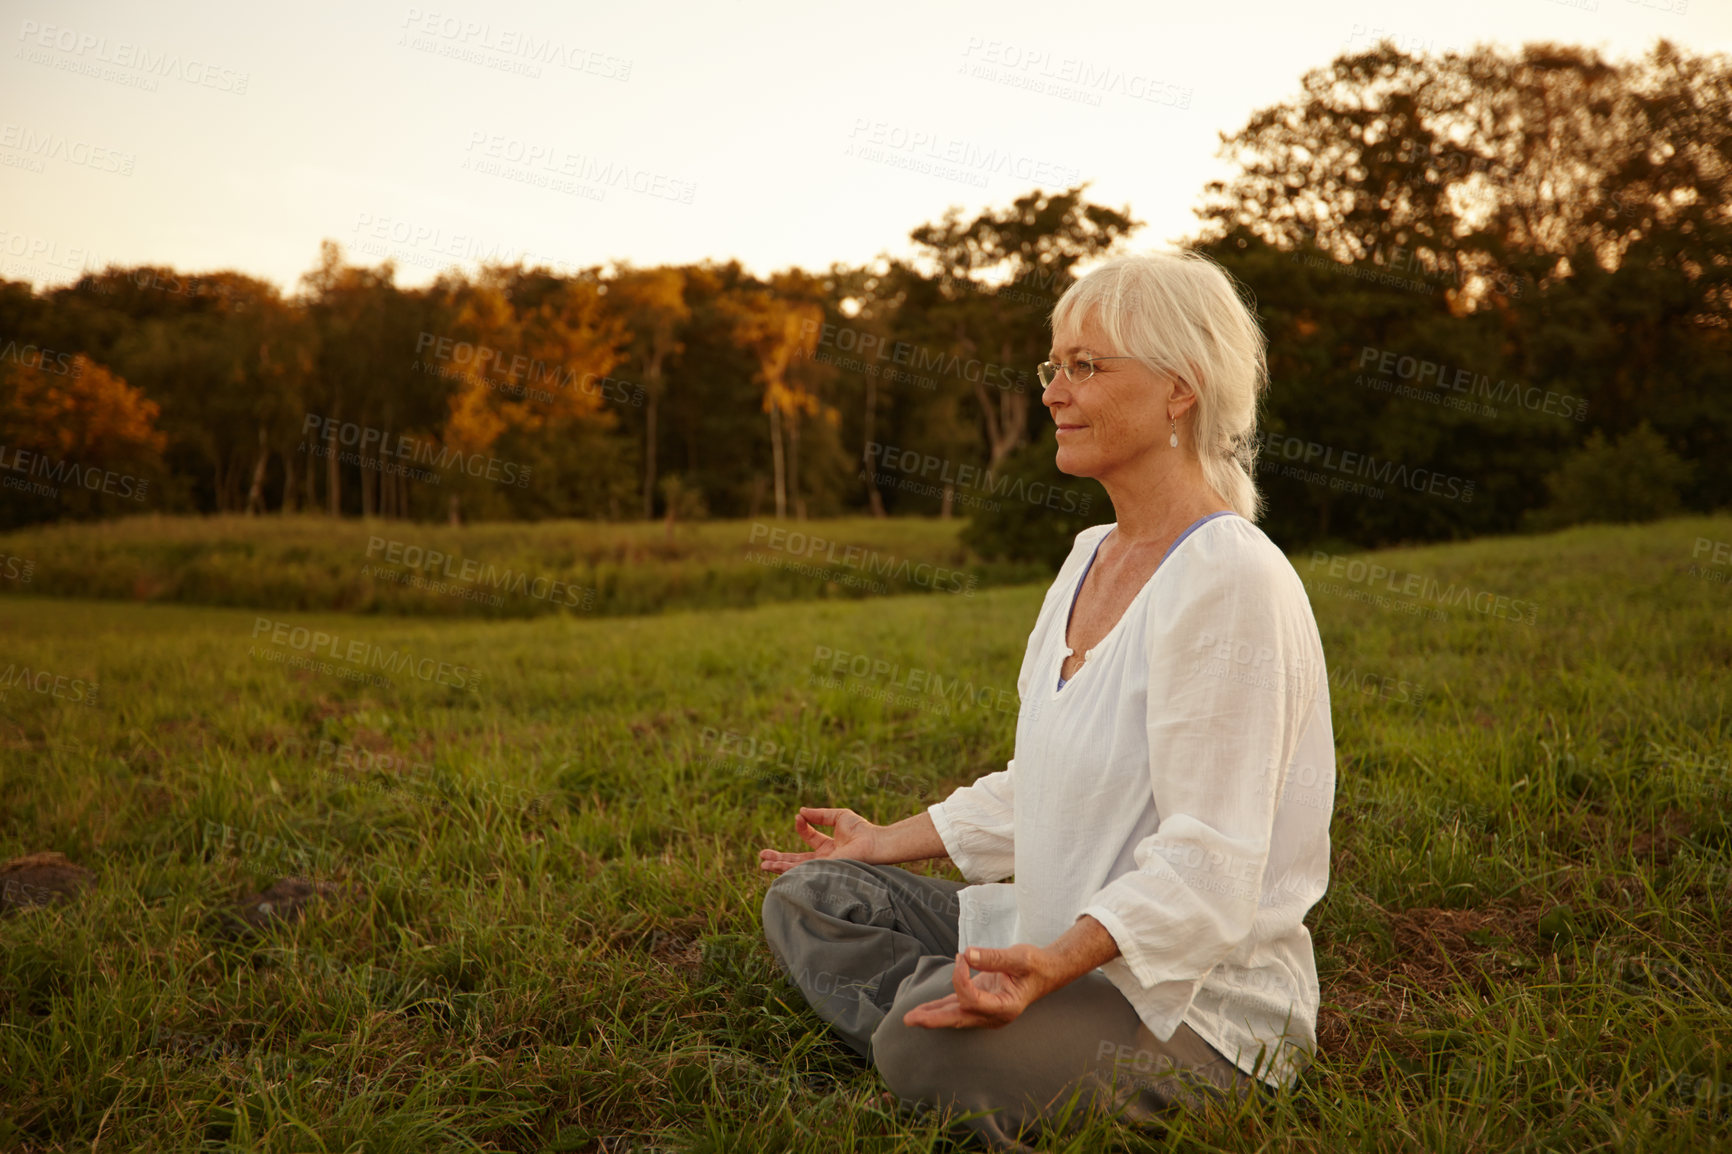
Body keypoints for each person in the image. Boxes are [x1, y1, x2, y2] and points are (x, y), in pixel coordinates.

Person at [758, 249, 1336, 1152]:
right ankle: (957, 1005)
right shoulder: (1088, 555)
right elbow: (1052, 785)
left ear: (1180, 390)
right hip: (1053, 931)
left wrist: (1056, 967)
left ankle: (946, 1022)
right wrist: (885, 841)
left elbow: (1210, 869)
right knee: (820, 897)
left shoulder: (1227, 578)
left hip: (1187, 1006)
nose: (1053, 393)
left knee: (924, 1058)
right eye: (1053, 366)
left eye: (1086, 367)